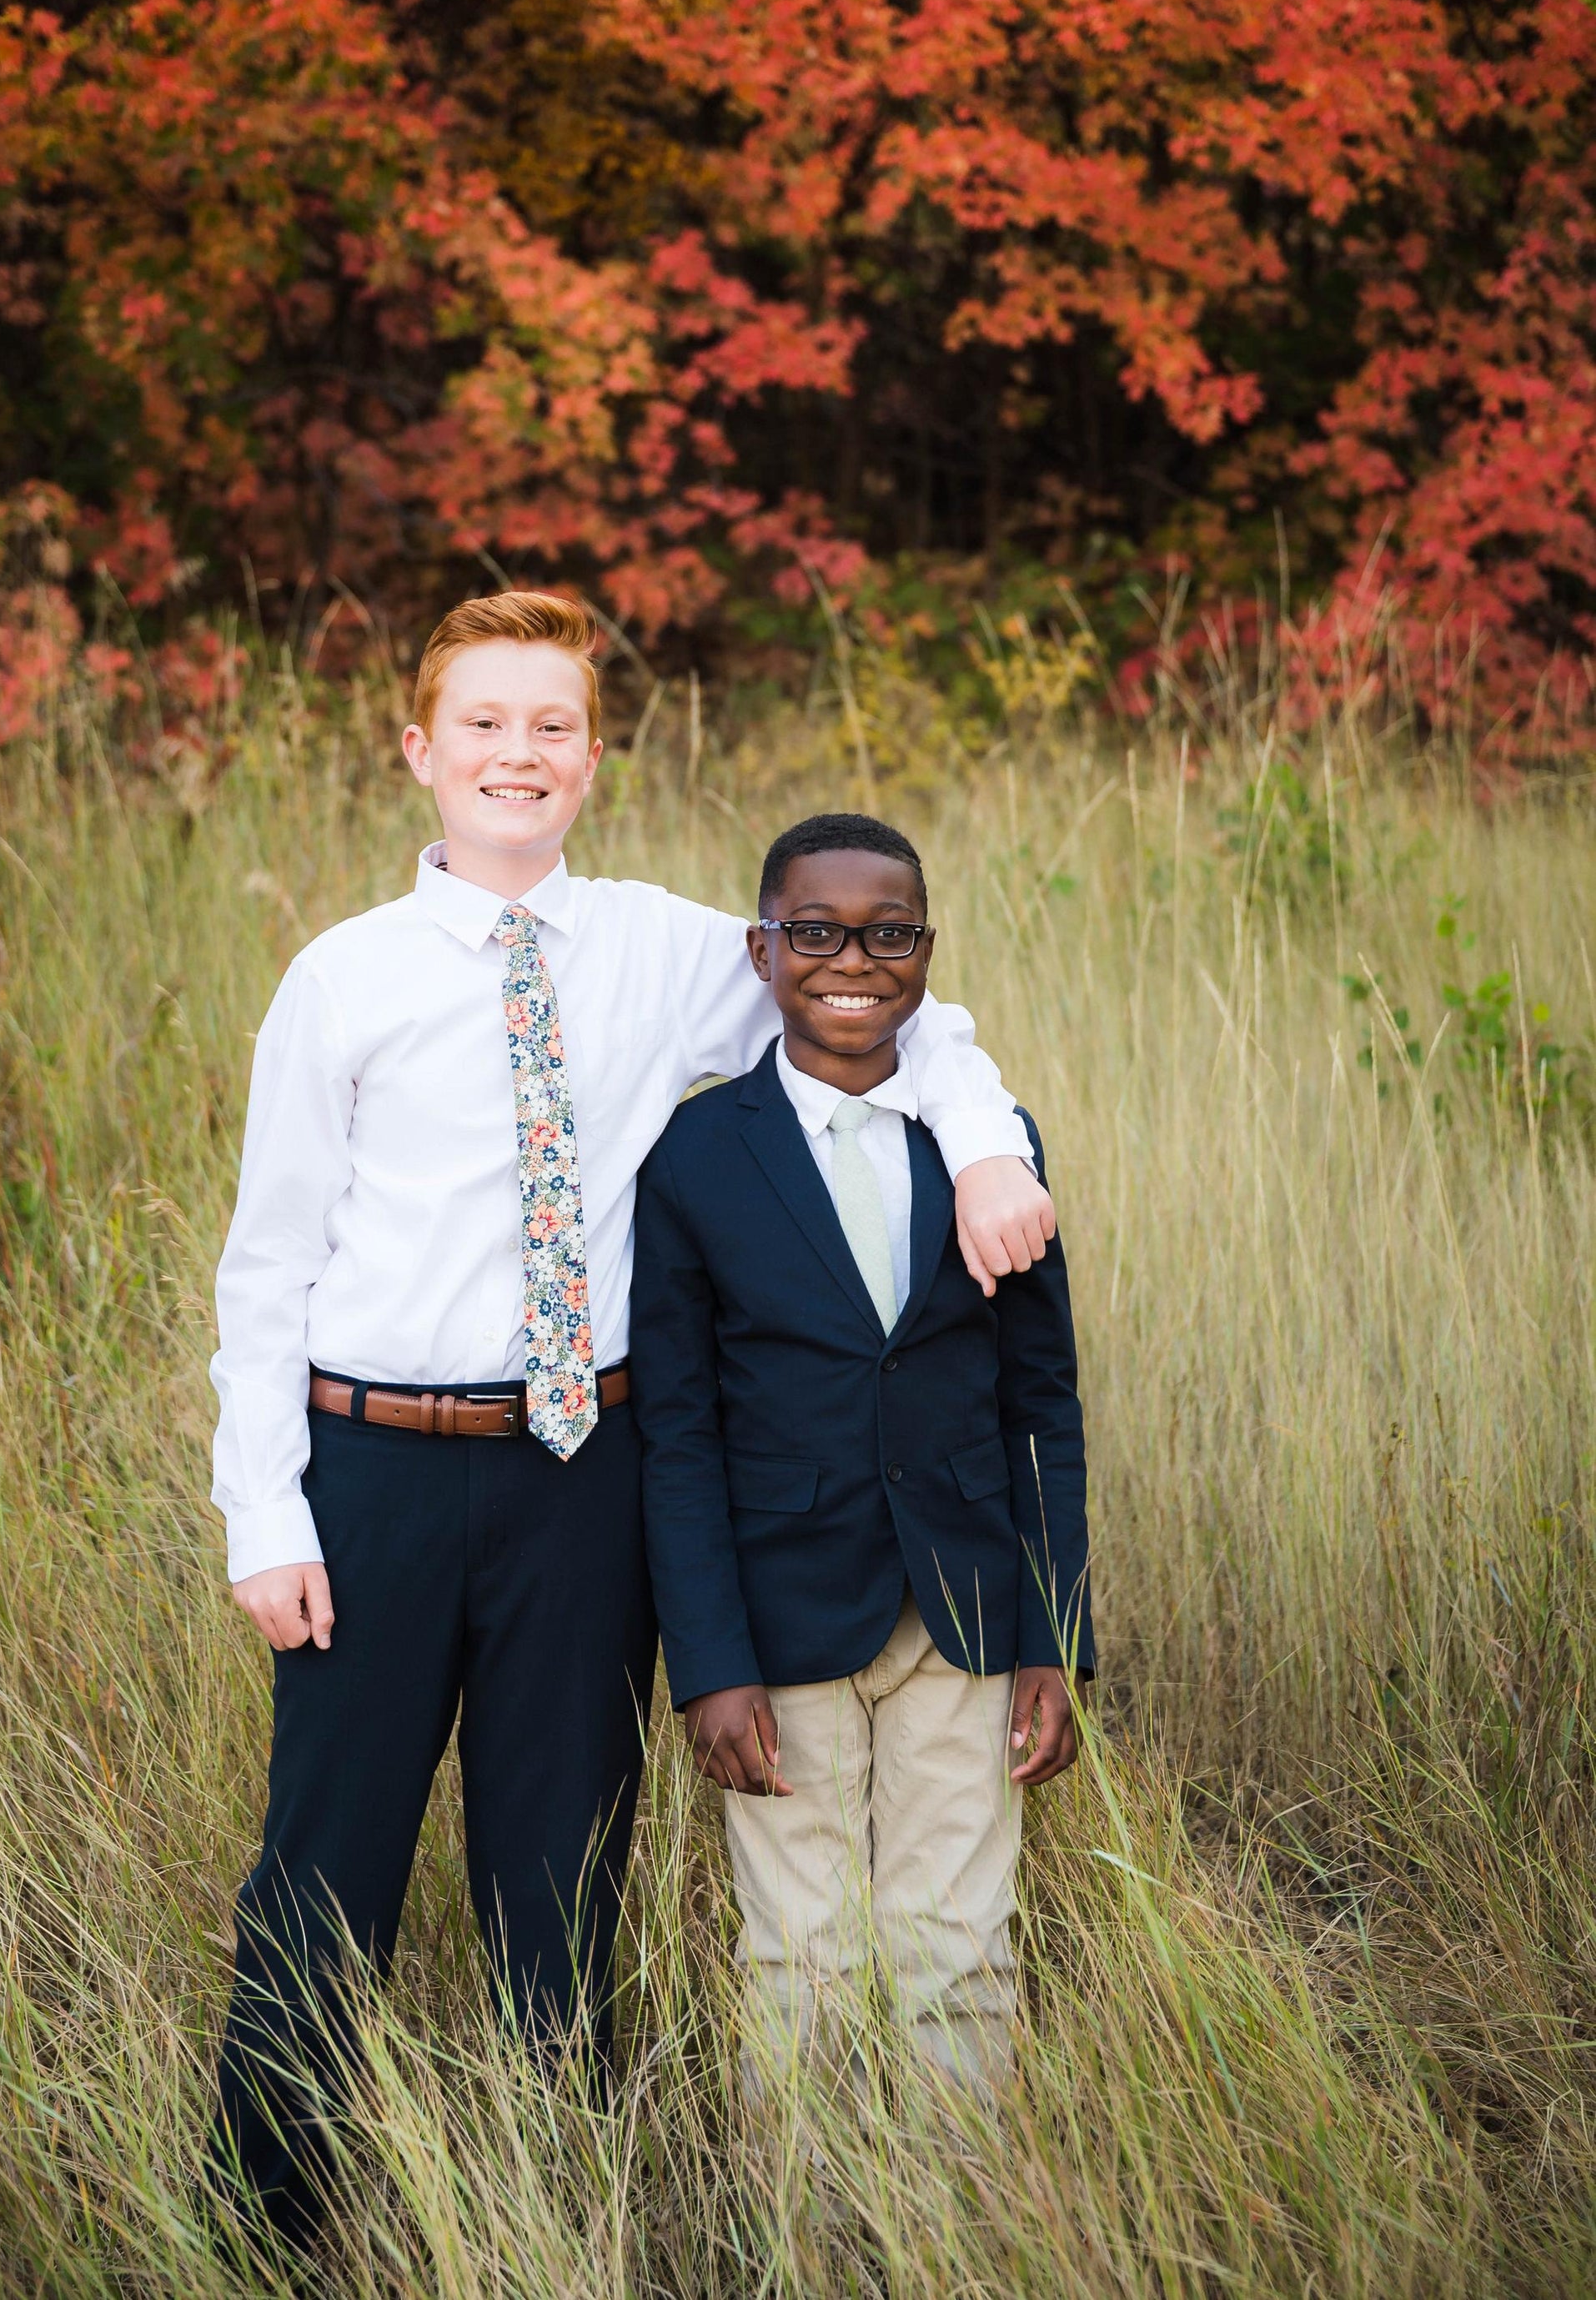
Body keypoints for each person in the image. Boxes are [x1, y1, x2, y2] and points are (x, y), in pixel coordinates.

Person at [206, 592, 1056, 2244]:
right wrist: (268, 1512)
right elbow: (270, 1262)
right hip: (371, 1473)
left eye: (552, 726)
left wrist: (982, 1142)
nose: (515, 754)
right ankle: (259, 2228)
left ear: (593, 759)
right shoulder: (342, 977)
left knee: (560, 1872)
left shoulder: (662, 948)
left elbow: (877, 1000)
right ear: (419, 751)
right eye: (483, 723)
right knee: (324, 1866)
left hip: (582, 1470)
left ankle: (549, 2216)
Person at [630, 811, 1092, 2106]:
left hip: (964, 1613)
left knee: (959, 1946)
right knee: (800, 1952)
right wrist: (709, 1665)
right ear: (762, 950)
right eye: (816, 932)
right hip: (780, 1622)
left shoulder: (987, 1143)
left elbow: (1040, 1403)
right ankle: (807, 2208)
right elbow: (678, 1437)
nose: (852, 961)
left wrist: (1051, 1633)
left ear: (925, 950)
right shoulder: (695, 1156)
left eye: (889, 935)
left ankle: (953, 2208)